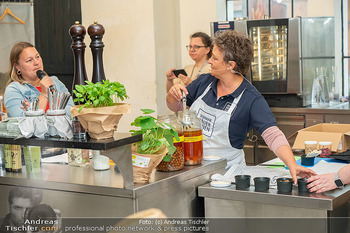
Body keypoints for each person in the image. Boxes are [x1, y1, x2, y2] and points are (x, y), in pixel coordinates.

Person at [166, 30, 316, 183]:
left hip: (227, 176)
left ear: (230, 65)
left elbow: (273, 135)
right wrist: (172, 94)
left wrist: (292, 164)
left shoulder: (251, 98)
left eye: (214, 58)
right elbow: (175, 106)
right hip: (193, 168)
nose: (209, 61)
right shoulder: (204, 82)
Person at [4, 42, 74, 118]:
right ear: (17, 66)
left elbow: (72, 113)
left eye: (37, 57)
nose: (36, 62)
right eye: (29, 60)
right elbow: (25, 123)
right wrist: (44, 95)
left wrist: (32, 108)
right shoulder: (13, 89)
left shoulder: (55, 82)